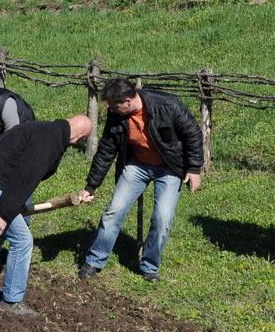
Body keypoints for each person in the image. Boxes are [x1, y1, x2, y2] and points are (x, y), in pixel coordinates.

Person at [77, 79, 203, 283]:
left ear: (127, 101)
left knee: (162, 217)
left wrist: (195, 168)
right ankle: (95, 260)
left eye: (113, 105)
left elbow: (193, 134)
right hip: (137, 166)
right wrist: (91, 185)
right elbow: (107, 149)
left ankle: (149, 266)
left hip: (170, 167)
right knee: (114, 211)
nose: (111, 110)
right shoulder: (116, 116)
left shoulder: (168, 105)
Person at [0, 115, 93, 317]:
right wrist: (5, 213)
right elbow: (25, 176)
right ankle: (11, 301)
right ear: (79, 138)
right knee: (22, 240)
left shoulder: (46, 129)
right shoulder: (50, 141)